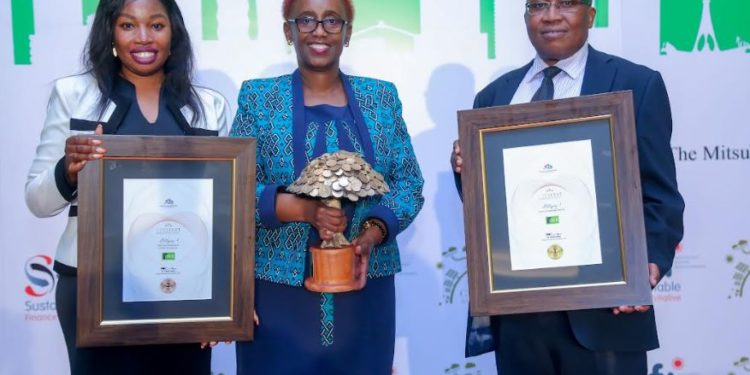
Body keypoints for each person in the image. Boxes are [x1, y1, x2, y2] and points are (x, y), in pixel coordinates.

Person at [451, 1, 684, 374]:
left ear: (590, 15)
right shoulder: (493, 97)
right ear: (526, 17)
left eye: (567, 3)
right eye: (538, 5)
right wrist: (465, 170)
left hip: (606, 312)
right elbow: (491, 208)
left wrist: (648, 266)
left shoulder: (637, 84)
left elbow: (660, 195)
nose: (551, 15)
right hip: (518, 316)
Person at [24, 0, 230, 373]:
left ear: (174, 33)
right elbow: (37, 200)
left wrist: (220, 302)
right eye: (128, 25)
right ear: (111, 33)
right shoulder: (74, 94)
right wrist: (68, 172)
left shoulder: (209, 106)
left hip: (184, 287)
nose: (143, 38)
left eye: (156, 25)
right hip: (93, 289)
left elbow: (222, 211)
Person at [230, 0, 424, 373]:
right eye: (306, 20)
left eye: (332, 20)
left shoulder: (381, 98)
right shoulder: (258, 99)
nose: (319, 30)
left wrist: (372, 234)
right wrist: (303, 209)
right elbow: (235, 187)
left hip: (366, 284)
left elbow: (409, 183)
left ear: (348, 33)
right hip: (277, 290)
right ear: (289, 31)